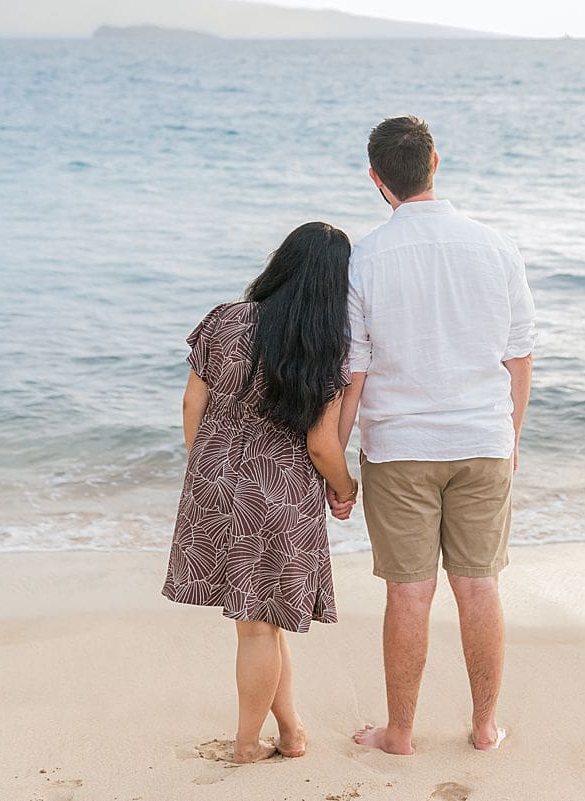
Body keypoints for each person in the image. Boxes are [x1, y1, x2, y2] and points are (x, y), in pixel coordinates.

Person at [340, 116, 535, 755]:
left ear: (376, 178)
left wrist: (336, 466)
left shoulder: (365, 257)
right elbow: (519, 355)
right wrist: (511, 438)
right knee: (480, 585)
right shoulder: (497, 247)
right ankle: (483, 727)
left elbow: (355, 371)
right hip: (483, 440)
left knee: (409, 591)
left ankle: (400, 733)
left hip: (398, 448)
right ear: (435, 162)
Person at [163, 221, 359, 764]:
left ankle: (289, 734)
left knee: (260, 625)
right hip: (281, 494)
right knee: (259, 625)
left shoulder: (225, 319)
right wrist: (346, 490)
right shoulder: (323, 347)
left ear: (281, 263)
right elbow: (322, 445)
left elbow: (190, 407)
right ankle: (249, 744)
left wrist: (207, 466)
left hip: (216, 482)